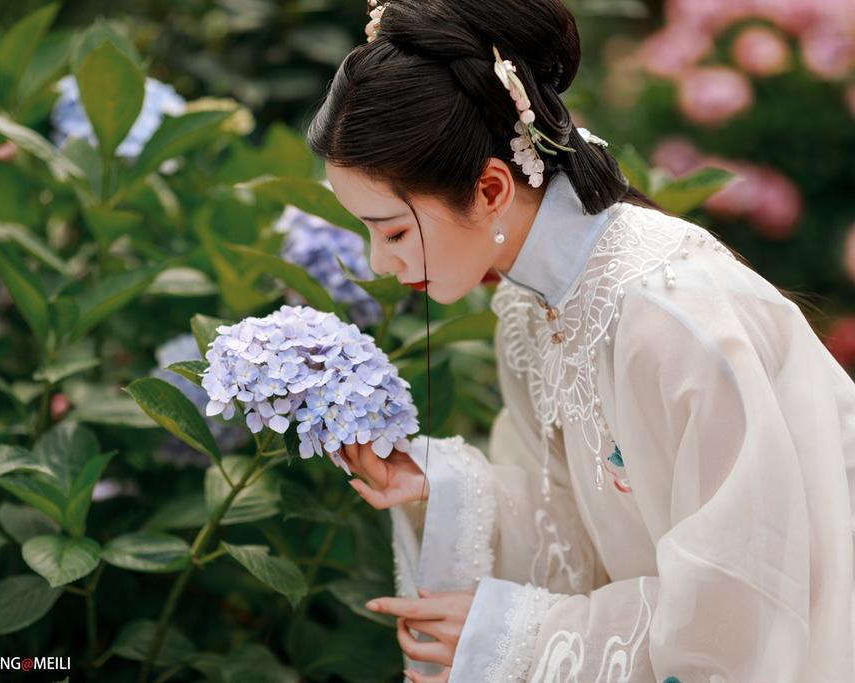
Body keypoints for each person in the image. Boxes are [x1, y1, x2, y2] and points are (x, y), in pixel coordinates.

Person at [304, 1, 855, 681]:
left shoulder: (676, 313)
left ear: (491, 186)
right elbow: (573, 536)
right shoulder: (529, 312)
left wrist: (520, 637)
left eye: (391, 230)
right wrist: (435, 487)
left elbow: (747, 603)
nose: (378, 264)